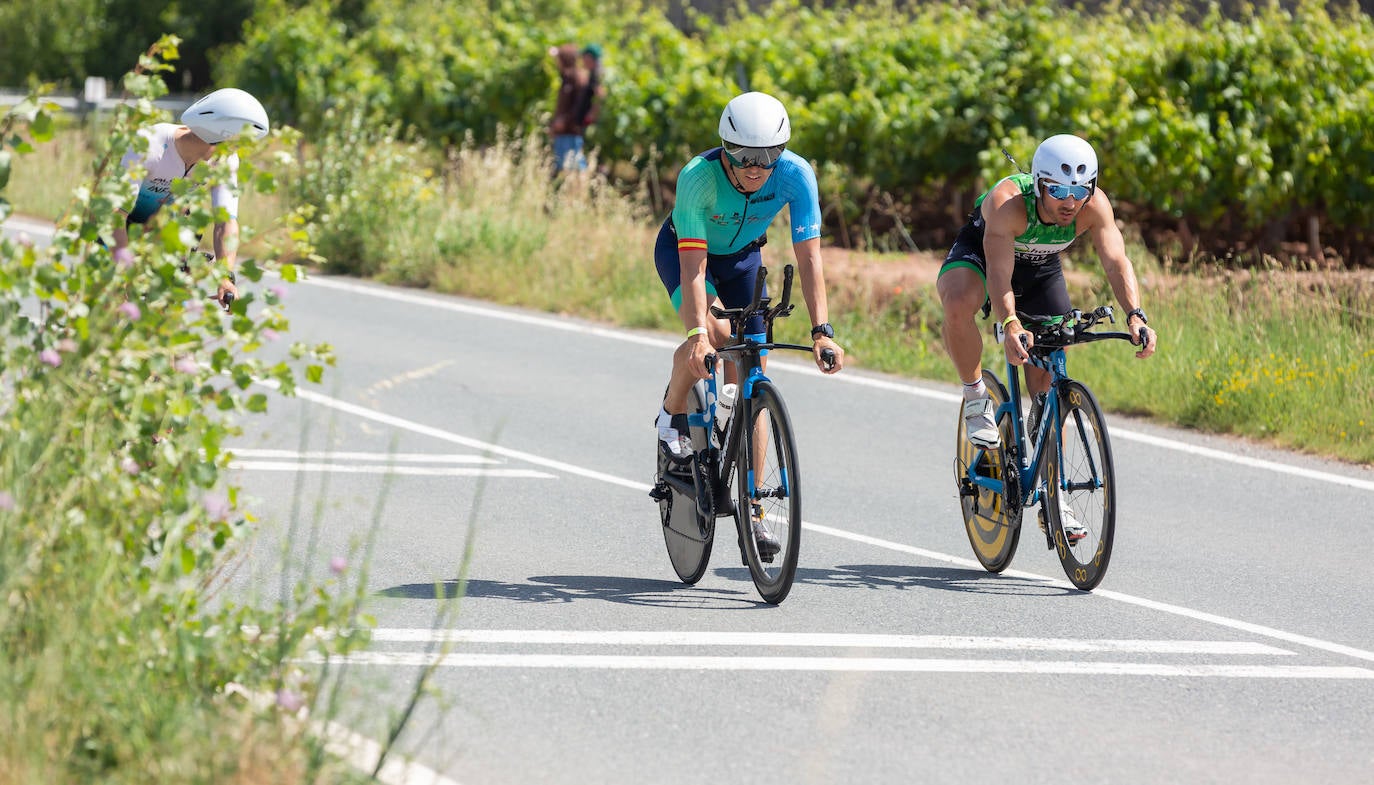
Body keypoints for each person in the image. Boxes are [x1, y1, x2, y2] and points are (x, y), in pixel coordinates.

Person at [936, 133, 1158, 540]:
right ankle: (974, 397)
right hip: (985, 257)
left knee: (1049, 381)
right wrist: (1010, 324)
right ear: (1038, 183)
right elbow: (1000, 276)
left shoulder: (1094, 206)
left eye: (1079, 189)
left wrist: (1136, 316)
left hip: (1040, 269)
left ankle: (1053, 496)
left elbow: (1115, 261)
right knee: (958, 301)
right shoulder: (1008, 204)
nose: (1069, 201)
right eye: (1057, 190)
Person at [653, 90, 845, 556]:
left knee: (755, 366)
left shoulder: (797, 175)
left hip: (743, 260)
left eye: (768, 157)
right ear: (725, 147)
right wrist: (698, 333)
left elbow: (810, 258)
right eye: (744, 156)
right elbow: (695, 269)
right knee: (716, 336)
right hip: (688, 253)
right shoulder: (698, 179)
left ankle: (754, 507)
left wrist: (822, 330)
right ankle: (669, 417)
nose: (757, 168)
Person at [113, 87, 270, 307]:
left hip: (167, 232)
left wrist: (225, 275)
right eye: (236, 144)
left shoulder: (225, 161)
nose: (236, 151)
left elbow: (225, 221)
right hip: (122, 226)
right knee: (110, 307)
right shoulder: (151, 143)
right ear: (218, 137)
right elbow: (115, 215)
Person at [548, 44, 590, 173]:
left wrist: (564, 121)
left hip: (569, 132)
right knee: (567, 168)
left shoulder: (574, 79)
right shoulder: (568, 79)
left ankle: (578, 192)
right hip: (565, 132)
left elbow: (580, 107)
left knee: (573, 169)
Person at [576, 43, 605, 132]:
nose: (582, 60)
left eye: (583, 57)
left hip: (587, 121)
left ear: (589, 57)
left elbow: (600, 95)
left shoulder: (596, 75)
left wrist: (591, 114)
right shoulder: (592, 73)